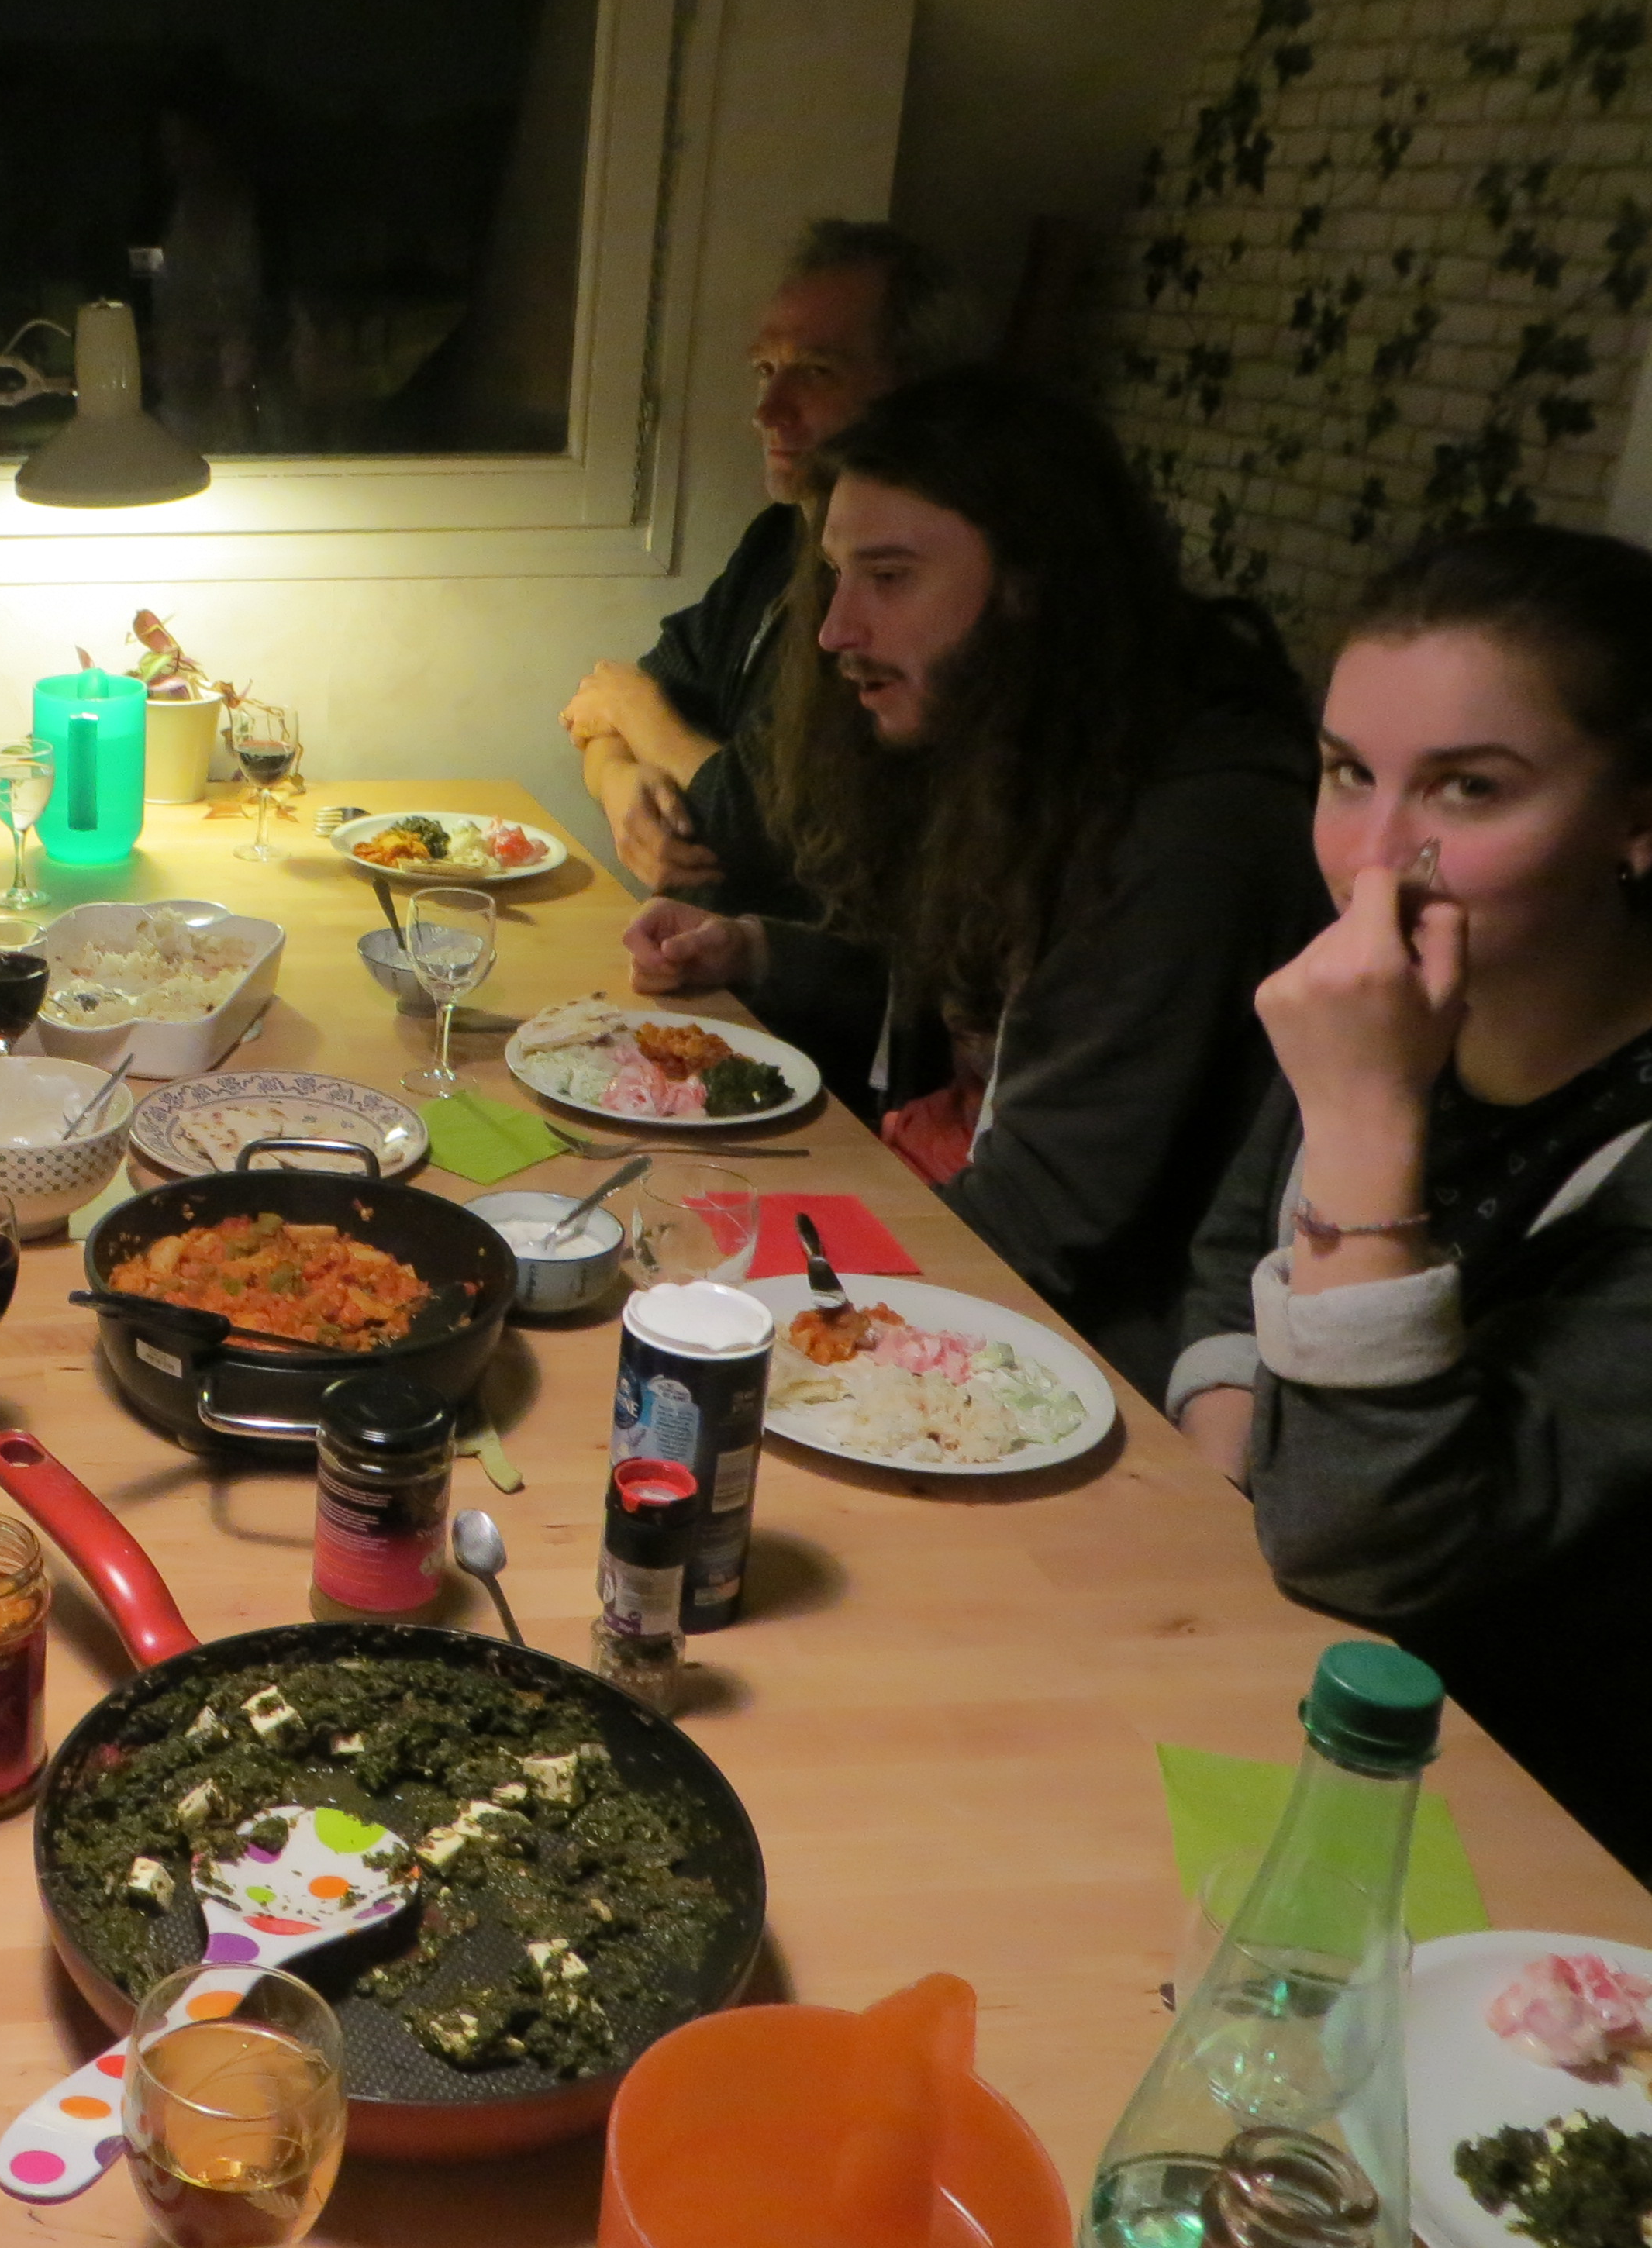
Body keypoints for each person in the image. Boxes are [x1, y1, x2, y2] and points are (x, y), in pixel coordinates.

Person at [623, 371, 1329, 1395]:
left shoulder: (1189, 833)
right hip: (966, 1232)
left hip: (1090, 1359)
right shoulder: (1021, 736)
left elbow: (1042, 1224)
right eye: (836, 576)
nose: (834, 630)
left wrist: (749, 1286)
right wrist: (757, 950)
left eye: (890, 577)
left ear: (1035, 582)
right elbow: (976, 1003)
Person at [1169, 525, 1652, 1878]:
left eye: (1469, 789)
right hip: (1267, 1673)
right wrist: (1236, 1465)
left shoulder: (1397, 1057)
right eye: (1347, 774)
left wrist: (1369, 1120)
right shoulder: (1401, 996)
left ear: (1636, 818)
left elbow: (1372, 1546)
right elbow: (1230, 1259)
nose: (1374, 860)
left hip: (1538, 1820)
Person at [560, 220, 980, 912]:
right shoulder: (778, 540)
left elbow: (761, 829)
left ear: (918, 392)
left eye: (816, 372)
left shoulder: (912, 606)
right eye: (765, 370)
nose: (767, 410)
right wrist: (616, 781)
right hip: (704, 949)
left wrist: (636, 711)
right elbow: (625, 695)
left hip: (795, 971)